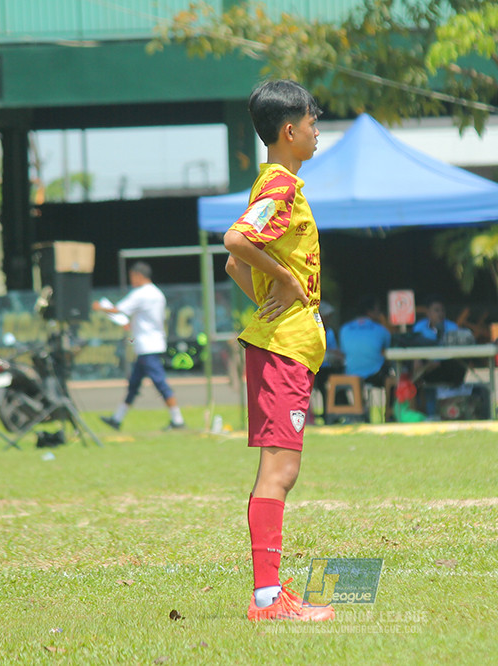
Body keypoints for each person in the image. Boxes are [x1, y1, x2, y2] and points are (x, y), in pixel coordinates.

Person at [221, 79, 334, 622]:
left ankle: (271, 595)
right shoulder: (281, 188)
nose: (317, 131)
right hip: (282, 350)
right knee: (279, 473)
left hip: (284, 346)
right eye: (313, 122)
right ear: (289, 131)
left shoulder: (277, 184)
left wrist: (270, 292)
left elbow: (236, 267)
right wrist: (286, 282)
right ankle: (268, 599)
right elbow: (236, 243)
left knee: (279, 471)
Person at [94, 261, 185, 431]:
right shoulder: (157, 293)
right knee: (134, 384)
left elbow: (118, 309)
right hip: (153, 342)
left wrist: (100, 307)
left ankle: (178, 420)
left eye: (132, 277)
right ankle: (117, 418)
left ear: (138, 275)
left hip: (146, 346)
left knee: (160, 383)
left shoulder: (141, 293)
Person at [411, 295, 469, 386]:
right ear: (428, 313)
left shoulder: (452, 327)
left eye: (442, 310)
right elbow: (414, 344)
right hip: (426, 365)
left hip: (448, 365)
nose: (440, 314)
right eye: (436, 310)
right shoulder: (419, 327)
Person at [339, 294, 392, 387]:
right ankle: (389, 401)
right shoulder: (381, 330)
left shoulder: (345, 329)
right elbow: (388, 349)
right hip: (375, 376)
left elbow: (344, 352)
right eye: (378, 309)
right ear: (370, 311)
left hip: (350, 376)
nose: (380, 313)